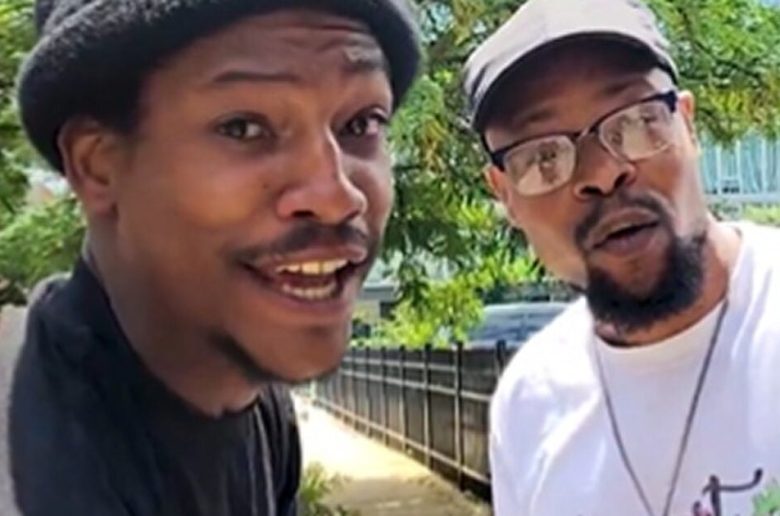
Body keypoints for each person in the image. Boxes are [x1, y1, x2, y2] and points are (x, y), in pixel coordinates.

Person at [7, 1, 420, 514]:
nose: (337, 197)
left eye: (361, 123)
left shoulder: (255, 404)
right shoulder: (32, 465)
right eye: (243, 127)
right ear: (97, 166)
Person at [463, 0, 780, 514]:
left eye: (636, 122)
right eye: (544, 156)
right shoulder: (527, 406)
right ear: (504, 194)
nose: (603, 173)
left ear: (688, 125)